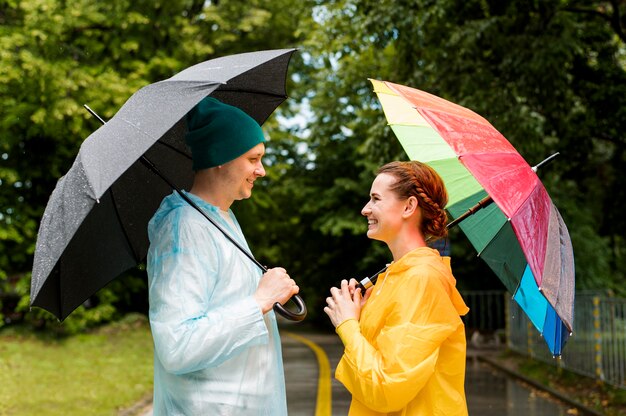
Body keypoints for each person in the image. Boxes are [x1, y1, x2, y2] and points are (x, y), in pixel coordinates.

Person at [146, 96, 299, 415]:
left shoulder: (221, 218)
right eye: (254, 159)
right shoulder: (184, 227)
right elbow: (177, 345)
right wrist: (259, 302)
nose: (262, 171)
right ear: (221, 157)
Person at [324, 161, 470, 416]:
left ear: (409, 206)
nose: (365, 209)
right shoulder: (395, 275)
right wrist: (360, 315)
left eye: (376, 199)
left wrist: (346, 324)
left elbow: (386, 387)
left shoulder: (422, 279)